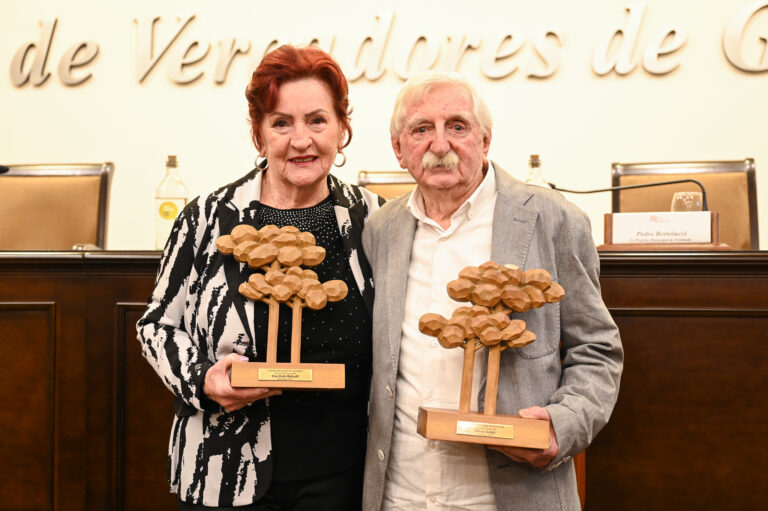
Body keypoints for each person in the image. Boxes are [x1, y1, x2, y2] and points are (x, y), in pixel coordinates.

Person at [361, 71, 623, 510]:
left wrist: (562, 425)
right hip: (399, 493)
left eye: (457, 127)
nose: (440, 146)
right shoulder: (381, 230)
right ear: (399, 149)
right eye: (422, 129)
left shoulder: (553, 219)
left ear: (484, 141)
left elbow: (597, 350)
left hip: (509, 494)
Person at [137, 45, 384, 510]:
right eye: (281, 122)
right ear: (259, 132)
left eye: (317, 120)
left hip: (344, 468)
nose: (301, 139)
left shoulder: (373, 220)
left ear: (342, 128)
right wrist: (201, 381)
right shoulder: (208, 218)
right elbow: (155, 325)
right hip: (225, 464)